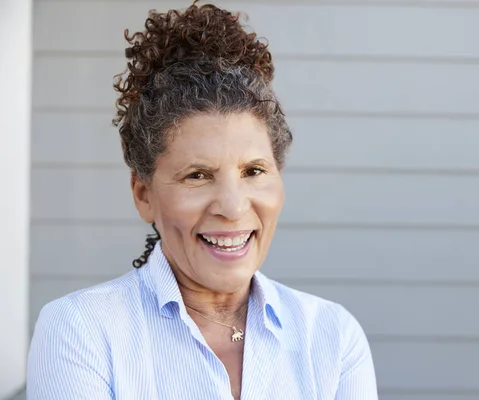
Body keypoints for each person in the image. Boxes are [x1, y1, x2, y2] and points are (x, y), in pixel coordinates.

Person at [26, 2, 378, 399]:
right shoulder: (82, 331)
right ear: (144, 195)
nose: (232, 206)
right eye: (198, 175)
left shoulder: (331, 337)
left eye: (254, 171)